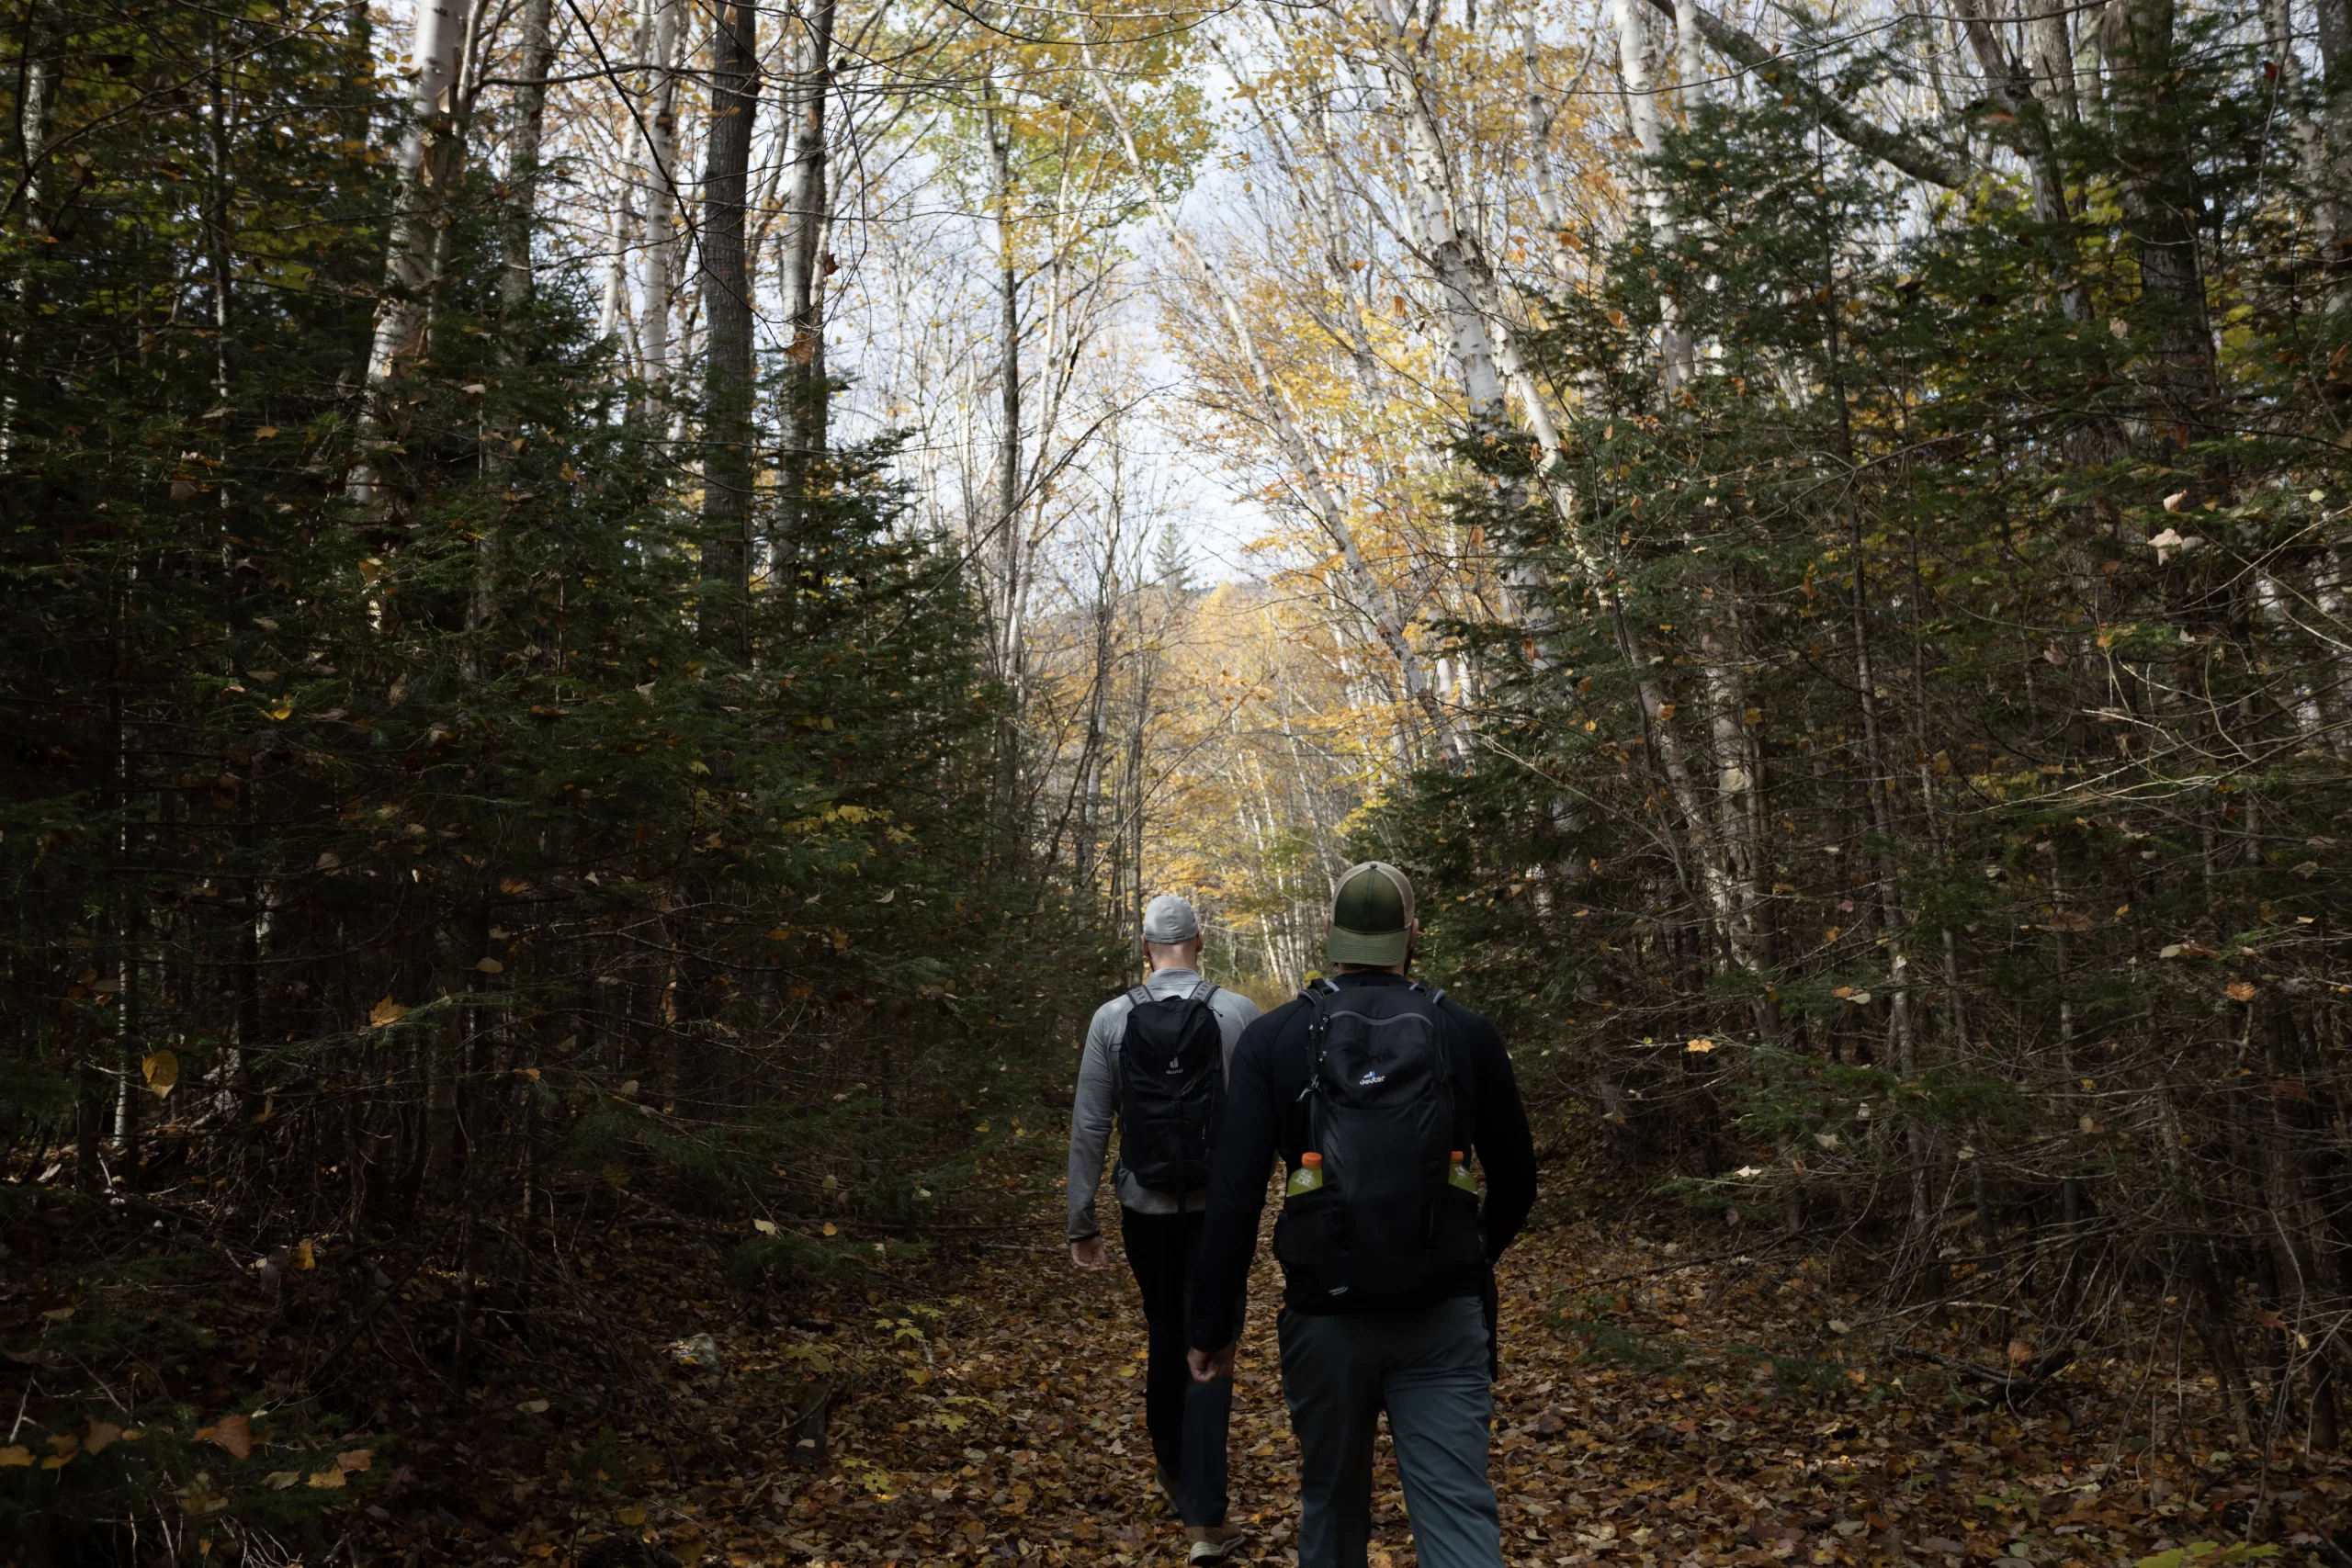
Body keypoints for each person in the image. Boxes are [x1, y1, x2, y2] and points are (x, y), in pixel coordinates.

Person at [1183, 862, 1536, 1568]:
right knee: (1458, 1511)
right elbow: (1519, 1180)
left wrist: (1212, 1327)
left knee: (1332, 1504)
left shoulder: (1277, 1038)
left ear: (1328, 931)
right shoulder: (1466, 1032)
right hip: (1443, 1313)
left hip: (1325, 1316)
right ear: (1412, 934)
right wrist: (1464, 1256)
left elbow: (1234, 1196)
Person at [1067, 893, 1262, 1565]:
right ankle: (1206, 1520)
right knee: (1213, 1341)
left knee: (1165, 1335)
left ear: (1143, 944)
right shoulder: (1237, 1014)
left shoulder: (1111, 1018)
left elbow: (1091, 1124)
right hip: (1219, 1212)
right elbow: (1260, 1121)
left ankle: (1177, 1478)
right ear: (1199, 941)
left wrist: (1081, 1218)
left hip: (1143, 1208)